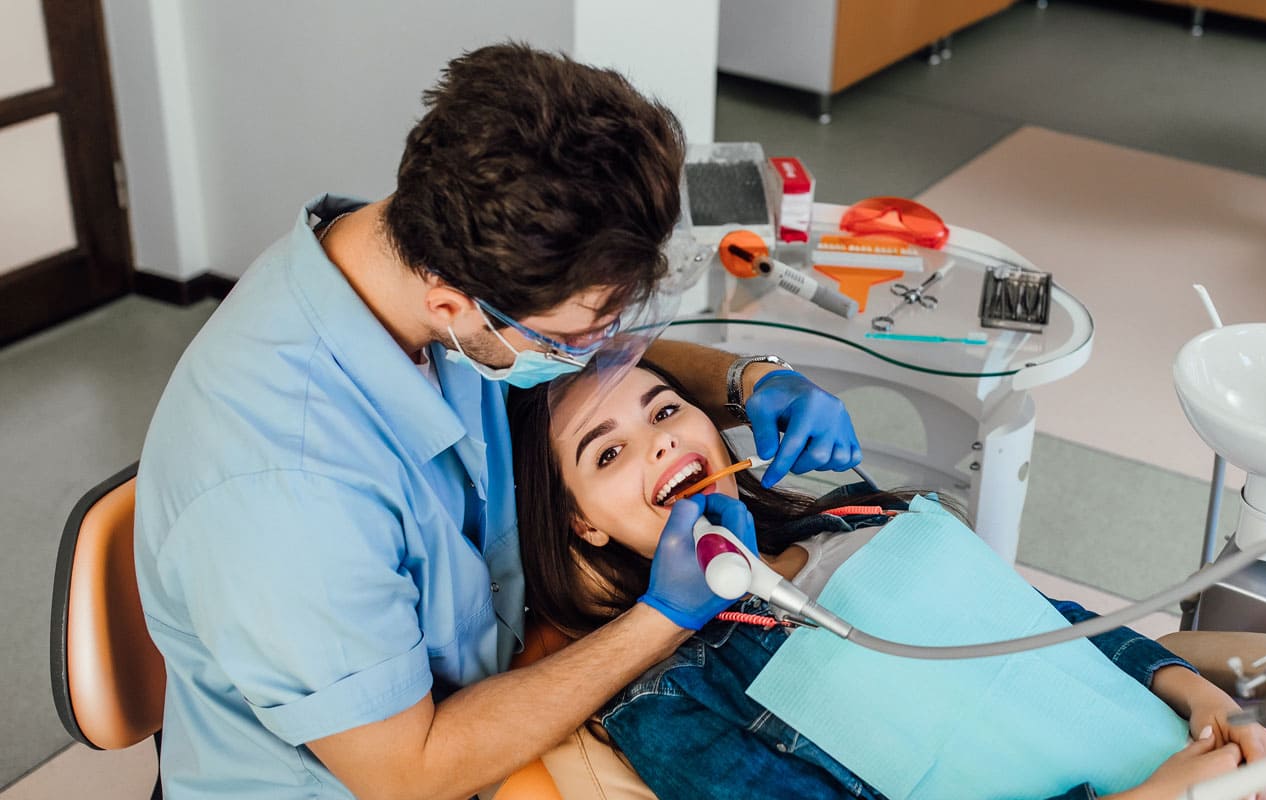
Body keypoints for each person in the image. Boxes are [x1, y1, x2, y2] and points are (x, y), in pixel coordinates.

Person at [133, 43, 861, 798]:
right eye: (578, 338)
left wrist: (747, 380)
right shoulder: (289, 489)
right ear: (452, 307)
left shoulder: (419, 251)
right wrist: (666, 616)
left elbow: (597, 363)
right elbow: (409, 773)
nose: (603, 353)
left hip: (508, 679)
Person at [508, 364, 1266, 800]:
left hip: (1234, 759)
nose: (657, 443)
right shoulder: (670, 703)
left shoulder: (861, 514)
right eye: (606, 453)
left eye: (664, 410)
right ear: (583, 525)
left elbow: (1051, 625)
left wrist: (1204, 698)